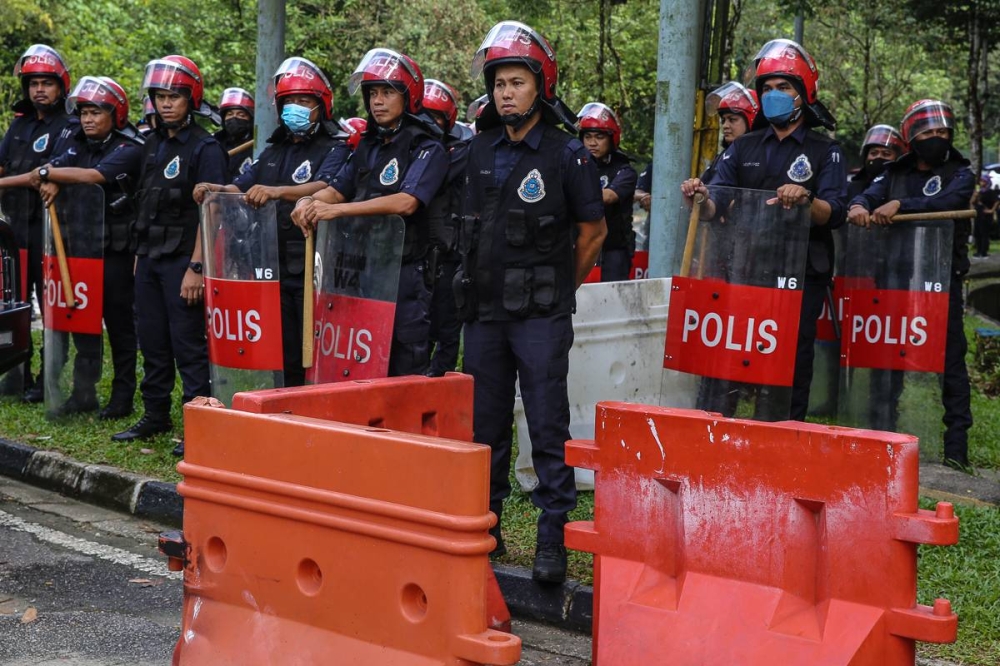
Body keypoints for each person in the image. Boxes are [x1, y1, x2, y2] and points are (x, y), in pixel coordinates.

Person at [457, 20, 606, 583]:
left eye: (516, 82)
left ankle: (551, 538)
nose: (506, 92)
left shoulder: (568, 154)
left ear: (539, 86)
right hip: (486, 314)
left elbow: (592, 234)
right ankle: (486, 528)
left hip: (541, 314)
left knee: (546, 425)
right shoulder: (479, 150)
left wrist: (557, 288)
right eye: (498, 83)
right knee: (485, 426)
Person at [681, 38, 847, 422]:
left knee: (791, 364)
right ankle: (726, 441)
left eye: (784, 88)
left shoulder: (827, 151)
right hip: (746, 269)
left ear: (804, 94)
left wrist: (806, 199)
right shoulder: (742, 147)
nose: (774, 95)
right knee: (735, 360)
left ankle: (783, 442)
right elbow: (715, 203)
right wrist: (699, 197)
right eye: (767, 89)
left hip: (802, 276)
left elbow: (835, 211)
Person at [291, 48, 448, 377]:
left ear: (408, 96)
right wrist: (308, 202)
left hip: (406, 271)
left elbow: (407, 201)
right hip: (360, 268)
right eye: (373, 93)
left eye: (388, 92)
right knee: (359, 359)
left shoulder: (427, 146)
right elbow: (336, 190)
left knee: (405, 363)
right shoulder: (367, 144)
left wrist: (339, 212)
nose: (378, 101)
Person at [197, 57, 350, 387]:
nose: (295, 107)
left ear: (322, 106)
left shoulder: (335, 146)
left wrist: (278, 192)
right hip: (271, 264)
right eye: (289, 101)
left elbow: (325, 186)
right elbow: (242, 184)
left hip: (314, 265)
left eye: (304, 101)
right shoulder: (273, 150)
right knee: (283, 349)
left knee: (315, 347)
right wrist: (215, 189)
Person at [847, 99, 975, 469]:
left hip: (940, 284)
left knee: (951, 363)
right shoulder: (892, 172)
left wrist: (901, 204)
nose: (937, 138)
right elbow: (868, 193)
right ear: (911, 137)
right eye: (928, 133)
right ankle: (880, 437)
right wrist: (859, 205)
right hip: (893, 278)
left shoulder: (959, 171)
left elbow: (952, 201)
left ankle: (955, 449)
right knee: (888, 362)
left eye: (942, 132)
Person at [112, 55, 227, 457]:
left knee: (188, 346)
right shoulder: (152, 144)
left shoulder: (206, 147)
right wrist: (140, 257)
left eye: (174, 96)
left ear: (190, 98)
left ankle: (200, 422)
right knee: (153, 342)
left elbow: (211, 211)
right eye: (160, 96)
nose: (165, 103)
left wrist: (197, 267)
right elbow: (146, 204)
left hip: (184, 260)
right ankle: (155, 415)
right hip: (150, 258)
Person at [29, 76, 143, 417]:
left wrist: (51, 175)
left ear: (116, 114)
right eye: (84, 113)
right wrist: (52, 180)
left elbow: (92, 177)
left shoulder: (130, 147)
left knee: (120, 326)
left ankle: (122, 398)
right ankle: (83, 392)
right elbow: (53, 169)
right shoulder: (77, 143)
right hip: (81, 246)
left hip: (116, 252)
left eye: (96, 112)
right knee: (82, 321)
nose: (88, 119)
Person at [0, 45, 78, 402]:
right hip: (15, 230)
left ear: (61, 86)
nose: (39, 91)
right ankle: (16, 372)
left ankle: (50, 377)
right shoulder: (19, 124)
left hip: (53, 229)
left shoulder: (72, 125)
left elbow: (38, 176)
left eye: (47, 83)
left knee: (52, 306)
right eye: (33, 84)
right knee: (15, 302)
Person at [422, 78, 469, 376]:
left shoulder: (459, 153)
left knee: (448, 327)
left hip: (449, 253)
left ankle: (440, 382)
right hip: (415, 254)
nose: (428, 123)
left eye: (435, 117)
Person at [577, 102, 637, 282]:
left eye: (599, 137)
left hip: (613, 251)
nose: (592, 143)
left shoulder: (624, 171)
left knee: (612, 303)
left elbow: (608, 196)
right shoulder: (576, 166)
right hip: (581, 246)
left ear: (611, 139)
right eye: (588, 136)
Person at [214, 87, 255, 181]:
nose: (234, 118)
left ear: (250, 118)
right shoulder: (214, 143)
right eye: (229, 114)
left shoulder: (259, 143)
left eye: (241, 115)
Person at [972, 177, 997, 258]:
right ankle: (978, 251)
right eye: (981, 181)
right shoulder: (979, 192)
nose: (982, 182)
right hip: (978, 215)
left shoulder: (990, 192)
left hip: (986, 216)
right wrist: (975, 195)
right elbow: (972, 201)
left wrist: (992, 210)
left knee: (984, 234)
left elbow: (997, 201)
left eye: (983, 181)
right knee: (978, 233)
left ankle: (984, 252)